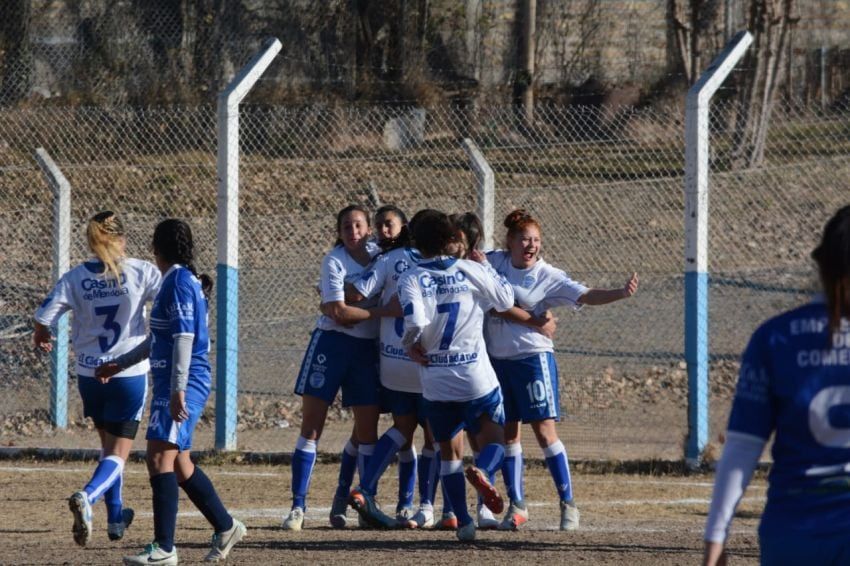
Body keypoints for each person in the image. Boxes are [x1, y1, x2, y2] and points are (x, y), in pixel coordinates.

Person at [704, 205, 850, 566]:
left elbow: (741, 448)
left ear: (822, 264)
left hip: (792, 530)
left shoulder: (775, 337)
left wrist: (716, 537)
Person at [99, 219, 246, 565]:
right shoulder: (177, 280)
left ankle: (164, 548)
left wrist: (179, 388)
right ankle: (226, 527)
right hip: (173, 382)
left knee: (158, 457)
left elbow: (183, 339)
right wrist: (119, 364)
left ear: (155, 249)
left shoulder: (178, 281)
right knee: (179, 463)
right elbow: (160, 339)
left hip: (183, 382)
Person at [486, 209, 638, 531]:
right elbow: (470, 269)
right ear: (510, 242)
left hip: (532, 358)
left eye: (536, 240)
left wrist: (620, 293)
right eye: (524, 239)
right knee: (508, 433)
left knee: (543, 431)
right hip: (497, 360)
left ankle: (568, 505)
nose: (531, 245)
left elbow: (585, 294)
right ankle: (517, 505)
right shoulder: (494, 262)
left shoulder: (548, 275)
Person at [33, 211, 160, 547]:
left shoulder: (75, 277)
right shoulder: (141, 271)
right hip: (127, 372)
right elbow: (166, 308)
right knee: (119, 452)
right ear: (122, 238)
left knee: (107, 448)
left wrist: (41, 334)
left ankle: (116, 516)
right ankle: (88, 496)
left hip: (89, 374)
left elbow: (44, 317)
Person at [398, 210, 515, 542]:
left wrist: (411, 346)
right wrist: (486, 267)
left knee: (448, 453)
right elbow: (505, 300)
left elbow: (416, 324)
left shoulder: (412, 276)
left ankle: (463, 522)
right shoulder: (471, 268)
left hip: (437, 379)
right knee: (494, 442)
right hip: (475, 375)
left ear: (416, 242)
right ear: (451, 237)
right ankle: (485, 472)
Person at [282, 205, 383, 531]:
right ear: (338, 232)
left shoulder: (381, 257)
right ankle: (298, 507)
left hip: (366, 349)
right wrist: (382, 312)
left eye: (358, 225)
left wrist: (351, 305)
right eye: (346, 227)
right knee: (312, 427)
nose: (353, 232)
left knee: (368, 432)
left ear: (369, 228)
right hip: (331, 344)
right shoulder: (334, 260)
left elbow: (342, 304)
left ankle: (361, 503)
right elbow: (337, 313)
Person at [347, 208, 438, 528]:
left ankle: (368, 488)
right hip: (428, 359)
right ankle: (426, 506)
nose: (384, 231)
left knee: (402, 428)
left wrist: (331, 295)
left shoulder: (388, 261)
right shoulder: (441, 264)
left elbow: (358, 292)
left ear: (407, 229)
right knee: (433, 435)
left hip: (394, 360)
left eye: (390, 224)